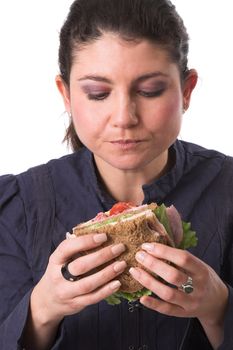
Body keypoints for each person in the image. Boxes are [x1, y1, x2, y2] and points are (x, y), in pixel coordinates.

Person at [0, 0, 232, 349]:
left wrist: (218, 308)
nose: (124, 117)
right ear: (66, 94)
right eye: (98, 93)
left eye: (150, 90)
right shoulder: (18, 207)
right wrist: (42, 308)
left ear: (186, 90)